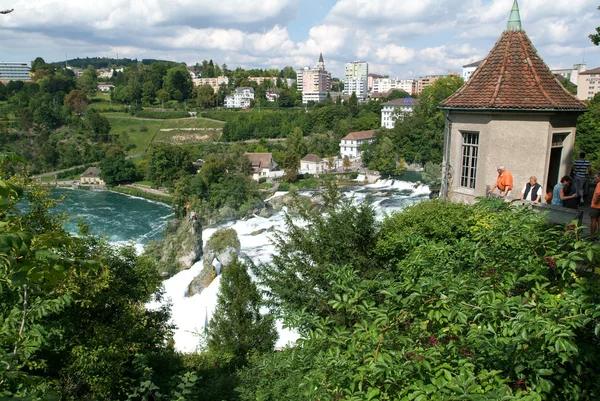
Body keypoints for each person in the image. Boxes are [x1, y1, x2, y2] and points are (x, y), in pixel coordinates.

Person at [590, 172, 600, 238]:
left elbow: (599, 194)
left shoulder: (599, 184)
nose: (595, 179)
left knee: (593, 220)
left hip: (596, 206)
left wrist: (595, 201)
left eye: (596, 177)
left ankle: (592, 236)